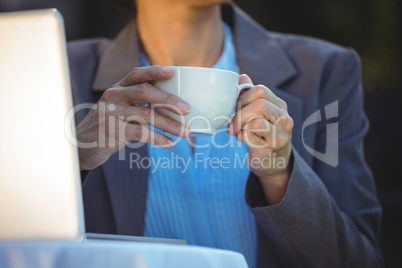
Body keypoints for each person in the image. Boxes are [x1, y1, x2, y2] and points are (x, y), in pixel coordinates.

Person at [67, 0, 383, 267]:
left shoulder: (325, 71)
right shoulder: (60, 71)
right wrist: (73, 160)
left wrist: (281, 175)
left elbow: (361, 260)